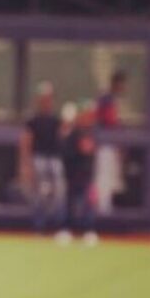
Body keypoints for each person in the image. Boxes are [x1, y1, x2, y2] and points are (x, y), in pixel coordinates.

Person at [19, 81, 66, 234]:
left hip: (54, 159)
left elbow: (63, 138)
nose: (47, 101)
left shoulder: (56, 120)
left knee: (58, 192)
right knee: (38, 194)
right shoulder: (33, 120)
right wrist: (26, 164)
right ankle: (39, 226)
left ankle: (58, 226)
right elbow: (26, 142)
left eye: (49, 98)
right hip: (38, 158)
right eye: (44, 98)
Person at [59, 100, 99, 246]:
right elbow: (65, 152)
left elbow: (87, 150)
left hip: (85, 174)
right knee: (69, 203)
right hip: (72, 173)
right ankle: (66, 230)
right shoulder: (73, 132)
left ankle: (88, 231)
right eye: (85, 114)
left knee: (87, 204)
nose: (88, 117)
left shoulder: (90, 132)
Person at [94, 69, 127, 215]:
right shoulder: (106, 99)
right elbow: (110, 122)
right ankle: (101, 213)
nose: (124, 88)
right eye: (122, 84)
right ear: (116, 83)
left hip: (110, 145)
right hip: (104, 145)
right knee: (103, 179)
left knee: (110, 180)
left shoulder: (111, 99)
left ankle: (105, 210)